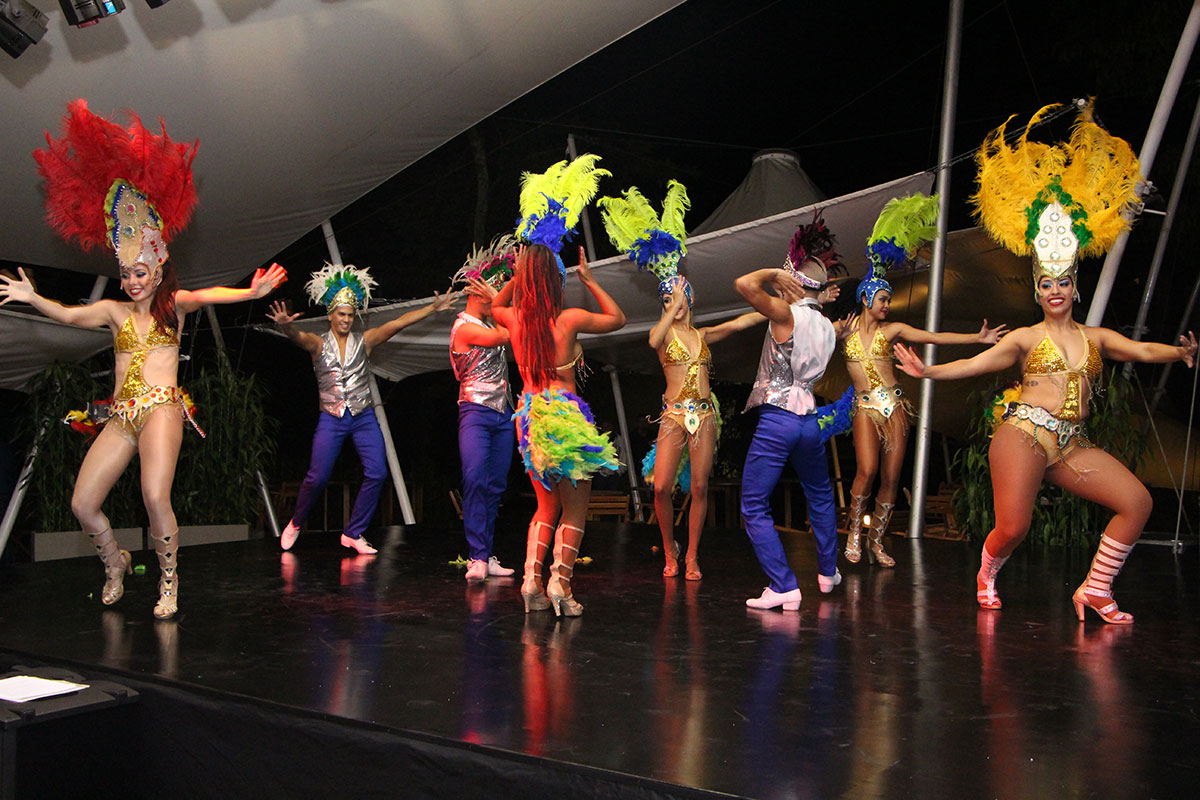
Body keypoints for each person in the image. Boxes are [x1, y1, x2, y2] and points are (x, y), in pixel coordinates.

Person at [893, 102, 1198, 623]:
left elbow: (1143, 350)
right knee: (1014, 527)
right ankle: (987, 571)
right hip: (1024, 436)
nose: (1055, 290)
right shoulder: (1027, 338)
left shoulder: (1097, 337)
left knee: (1137, 502)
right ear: (1037, 291)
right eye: (1046, 284)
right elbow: (979, 364)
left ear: (1074, 289)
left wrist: (1181, 352)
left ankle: (1095, 589)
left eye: (1063, 283)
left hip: (1071, 445)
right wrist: (929, 372)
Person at [2, 99, 288, 619]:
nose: (132, 280)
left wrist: (250, 293)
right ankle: (115, 562)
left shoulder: (172, 305)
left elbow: (209, 295)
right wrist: (32, 297)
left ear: (157, 270)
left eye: (140, 272)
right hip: (121, 415)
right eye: (126, 273)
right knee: (82, 503)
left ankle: (169, 580)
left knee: (155, 496)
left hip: (161, 409)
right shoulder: (113, 312)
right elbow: (69, 316)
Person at [598, 180, 764, 579]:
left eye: (680, 294)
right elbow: (652, 339)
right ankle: (669, 547)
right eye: (668, 296)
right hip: (673, 416)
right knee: (660, 487)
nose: (676, 300)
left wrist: (776, 309)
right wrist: (668, 313)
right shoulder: (663, 334)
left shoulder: (701, 335)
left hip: (704, 416)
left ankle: (690, 556)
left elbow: (738, 324)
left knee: (701, 487)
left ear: (690, 296)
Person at [491, 154, 624, 617]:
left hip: (528, 416)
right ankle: (560, 587)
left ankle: (531, 580)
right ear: (556, 280)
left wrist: (518, 271)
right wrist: (589, 279)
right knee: (576, 509)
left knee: (545, 506)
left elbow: (496, 307)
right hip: (564, 417)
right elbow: (617, 318)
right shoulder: (566, 320)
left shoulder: (515, 320)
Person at [842, 194, 1007, 567]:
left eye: (888, 299)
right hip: (864, 408)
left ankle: (876, 542)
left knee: (891, 477)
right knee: (866, 470)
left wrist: (976, 338)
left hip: (894, 406)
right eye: (882, 299)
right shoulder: (845, 333)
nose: (887, 305)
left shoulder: (893, 329)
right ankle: (853, 533)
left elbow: (934, 336)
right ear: (866, 299)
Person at [269, 264, 456, 554]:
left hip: (363, 417)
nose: (346, 319)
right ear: (331, 315)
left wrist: (432, 308)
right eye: (341, 314)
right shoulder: (319, 344)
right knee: (317, 477)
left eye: (349, 315)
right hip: (332, 417)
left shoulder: (365, 341)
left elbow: (398, 323)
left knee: (378, 473)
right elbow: (299, 338)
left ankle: (353, 533)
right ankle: (295, 523)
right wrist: (287, 327)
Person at [736, 215, 849, 611]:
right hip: (809, 423)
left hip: (779, 421)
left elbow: (743, 285)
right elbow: (817, 315)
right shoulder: (827, 327)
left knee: (753, 504)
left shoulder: (785, 315)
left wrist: (772, 274)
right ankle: (827, 573)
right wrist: (814, 296)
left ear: (793, 282)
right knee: (820, 495)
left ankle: (783, 584)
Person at [449, 236, 520, 583]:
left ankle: (485, 553)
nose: (498, 296)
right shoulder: (465, 327)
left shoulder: (493, 323)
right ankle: (476, 557)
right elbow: (509, 336)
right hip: (475, 412)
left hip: (503, 412)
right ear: (478, 291)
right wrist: (505, 297)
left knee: (495, 485)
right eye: (494, 290)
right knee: (475, 479)